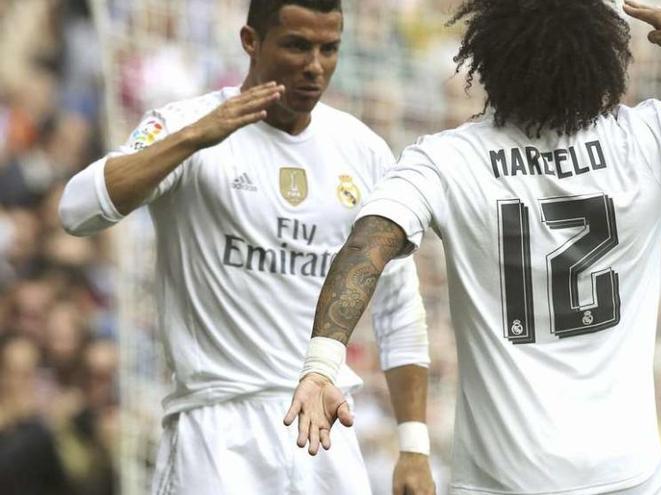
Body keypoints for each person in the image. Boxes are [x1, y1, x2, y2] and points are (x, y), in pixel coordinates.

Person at [288, 0, 661, 494]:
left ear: (490, 56)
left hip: (503, 480)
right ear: (601, 54)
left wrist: (321, 363)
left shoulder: (446, 161)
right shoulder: (649, 140)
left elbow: (368, 245)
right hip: (627, 476)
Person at [58, 1, 435, 493]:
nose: (314, 65)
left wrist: (414, 447)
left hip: (325, 426)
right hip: (217, 429)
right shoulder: (185, 123)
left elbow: (399, 307)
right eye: (297, 45)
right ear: (250, 41)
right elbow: (76, 211)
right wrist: (193, 138)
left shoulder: (362, 150)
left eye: (329, 48)